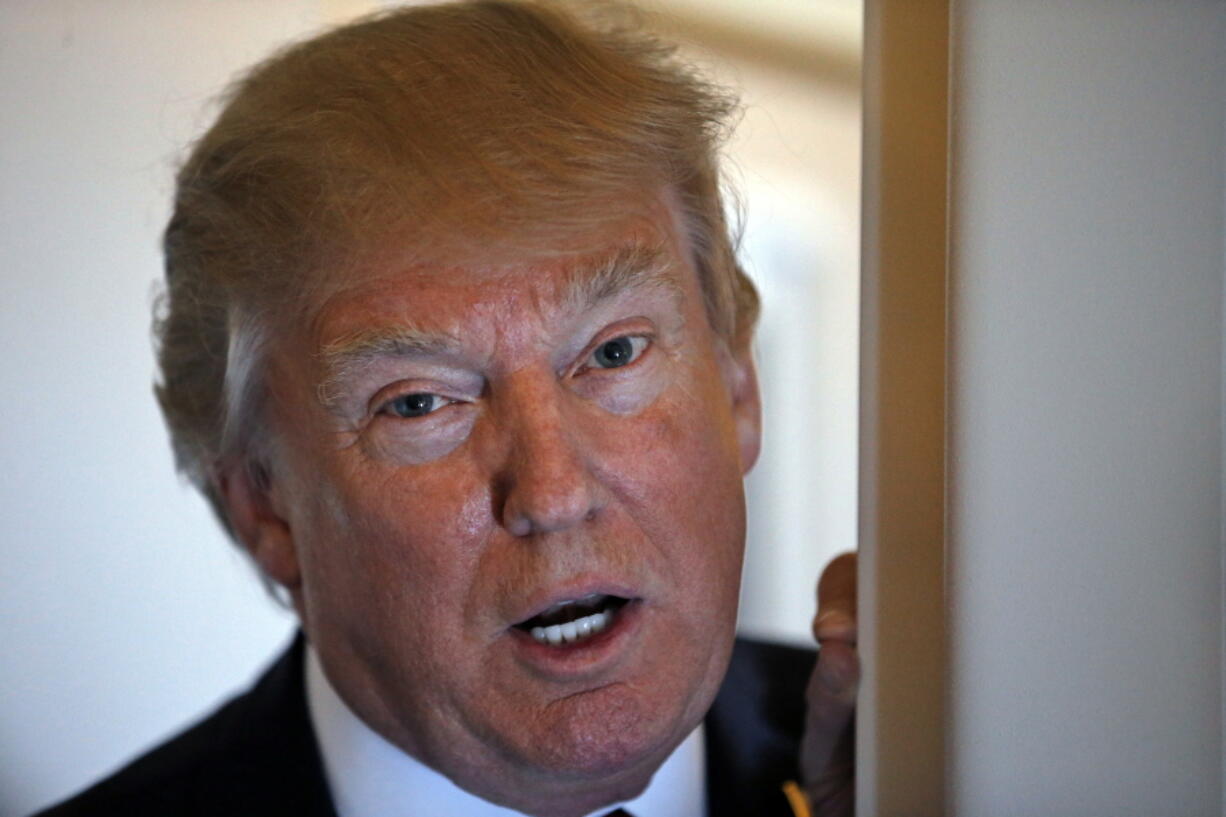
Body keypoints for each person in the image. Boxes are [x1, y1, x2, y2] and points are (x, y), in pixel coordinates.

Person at [35, 2, 857, 815]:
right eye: (420, 403)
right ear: (263, 506)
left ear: (738, 384)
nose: (553, 491)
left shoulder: (934, 763)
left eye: (613, 353)